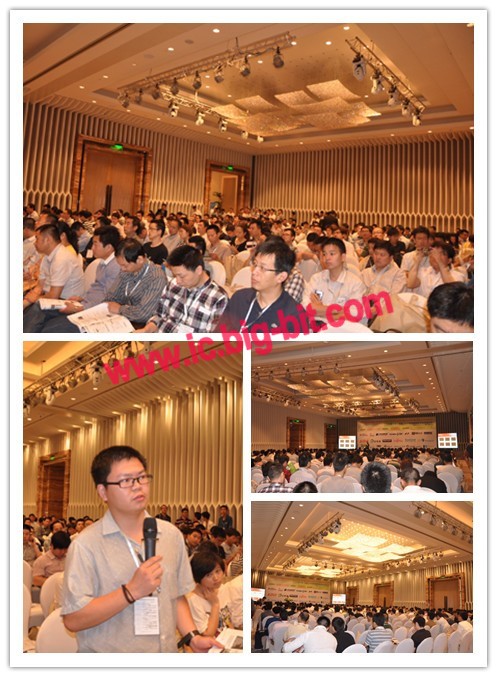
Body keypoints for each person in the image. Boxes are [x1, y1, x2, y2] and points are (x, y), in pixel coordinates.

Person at [61, 445, 221, 652]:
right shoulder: (85, 545)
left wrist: (192, 637)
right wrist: (131, 591)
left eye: (142, 478)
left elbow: (176, 596)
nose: (137, 486)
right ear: (103, 491)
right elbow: (73, 619)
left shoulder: (171, 535)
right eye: (126, 480)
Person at [217, 238, 308, 333]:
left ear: (281, 277)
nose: (254, 272)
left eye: (262, 268)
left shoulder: (294, 316)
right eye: (255, 264)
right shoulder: (239, 298)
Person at [137, 245, 228, 333]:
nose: (178, 281)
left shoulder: (218, 298)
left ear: (198, 270)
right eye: (175, 275)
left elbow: (211, 339)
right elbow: (159, 315)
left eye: (181, 276)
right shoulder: (173, 284)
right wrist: (146, 330)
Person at [187, 550, 232, 636]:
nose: (216, 578)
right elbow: (207, 635)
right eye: (208, 575)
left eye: (218, 571)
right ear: (198, 577)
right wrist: (215, 604)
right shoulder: (193, 600)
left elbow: (228, 622)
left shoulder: (221, 589)